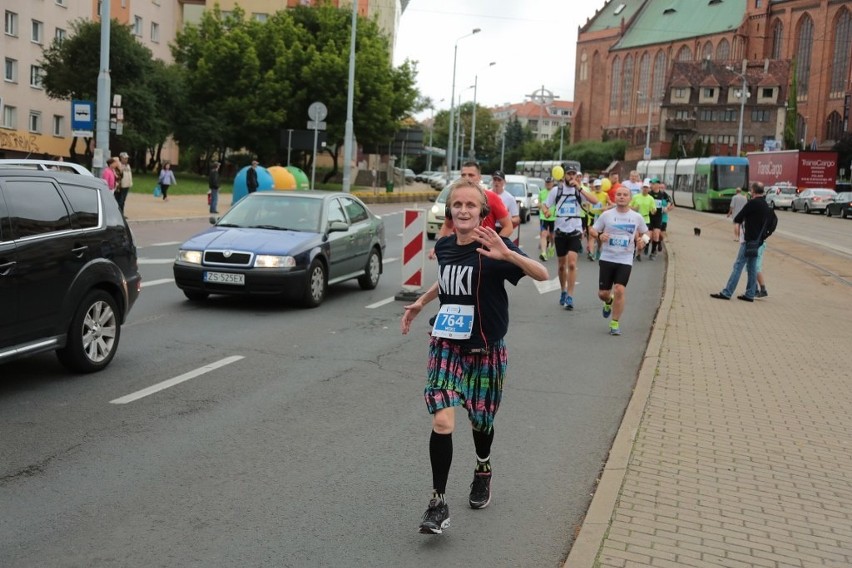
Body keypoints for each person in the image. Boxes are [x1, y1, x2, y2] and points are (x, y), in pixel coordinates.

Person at [400, 178, 549, 535]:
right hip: (447, 344)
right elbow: (449, 280)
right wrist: (422, 302)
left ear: (482, 213)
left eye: (470, 205)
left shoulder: (493, 246)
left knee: (481, 422)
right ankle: (438, 503)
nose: (463, 210)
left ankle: (483, 468)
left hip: (486, 349)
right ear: (450, 211)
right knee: (442, 420)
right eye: (457, 205)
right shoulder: (447, 245)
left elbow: (543, 275)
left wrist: (509, 254)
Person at [589, 185, 650, 336]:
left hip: (625, 258)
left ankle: (614, 322)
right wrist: (599, 235)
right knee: (603, 293)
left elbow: (645, 231)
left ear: (630, 198)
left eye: (625, 195)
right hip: (607, 257)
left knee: (619, 289)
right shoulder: (607, 215)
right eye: (619, 195)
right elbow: (592, 229)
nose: (622, 197)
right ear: (615, 198)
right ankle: (608, 301)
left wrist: (644, 240)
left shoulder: (636, 217)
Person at [544, 164, 599, 310]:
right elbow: (544, 205)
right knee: (562, 266)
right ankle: (563, 290)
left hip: (575, 230)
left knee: (573, 264)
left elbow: (594, 201)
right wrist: (547, 211)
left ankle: (570, 295)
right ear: (564, 175)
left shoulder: (579, 190)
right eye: (569, 174)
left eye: (574, 174)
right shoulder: (557, 190)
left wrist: (580, 188)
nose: (571, 176)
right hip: (560, 231)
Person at [710, 182, 772, 302]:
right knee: (752, 267)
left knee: (738, 265)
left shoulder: (753, 203)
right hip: (758, 241)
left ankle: (727, 292)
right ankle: (750, 294)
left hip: (748, 241)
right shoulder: (765, 204)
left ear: (753, 191)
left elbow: (738, 217)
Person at [629, 179, 657, 260]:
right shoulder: (636, 197)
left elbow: (653, 210)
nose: (645, 189)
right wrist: (634, 208)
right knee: (635, 236)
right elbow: (629, 206)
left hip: (645, 219)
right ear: (641, 188)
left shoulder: (651, 198)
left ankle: (639, 252)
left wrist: (653, 211)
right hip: (636, 218)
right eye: (644, 187)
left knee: (644, 238)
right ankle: (633, 251)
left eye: (647, 188)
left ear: (649, 189)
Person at [490, 171, 520, 240]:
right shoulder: (486, 194)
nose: (497, 182)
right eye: (495, 180)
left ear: (504, 182)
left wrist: (505, 219)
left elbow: (517, 219)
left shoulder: (510, 198)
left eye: (499, 180)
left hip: (502, 228)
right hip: (489, 228)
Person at [647, 179, 672, 260]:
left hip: (658, 217)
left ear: (658, 185)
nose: (652, 185)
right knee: (649, 235)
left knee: (656, 234)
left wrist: (666, 208)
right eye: (651, 184)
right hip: (649, 216)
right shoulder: (649, 193)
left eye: (654, 184)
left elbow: (670, 201)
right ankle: (646, 246)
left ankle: (653, 252)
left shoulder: (663, 194)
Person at [587, 178, 610, 260]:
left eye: (599, 186)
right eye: (596, 186)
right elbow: (586, 204)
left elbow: (611, 205)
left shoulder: (605, 195)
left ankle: (599, 249)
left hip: (601, 218)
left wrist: (605, 207)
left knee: (599, 236)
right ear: (594, 187)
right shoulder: (590, 194)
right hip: (592, 216)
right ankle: (591, 254)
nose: (597, 188)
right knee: (591, 236)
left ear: (601, 186)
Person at [538, 177, 557, 260]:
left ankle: (552, 246)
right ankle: (544, 253)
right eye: (547, 183)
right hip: (544, 217)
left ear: (553, 183)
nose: (548, 184)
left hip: (554, 217)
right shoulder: (542, 192)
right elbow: (538, 203)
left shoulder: (556, 192)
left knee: (552, 236)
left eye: (550, 183)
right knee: (544, 234)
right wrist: (540, 205)